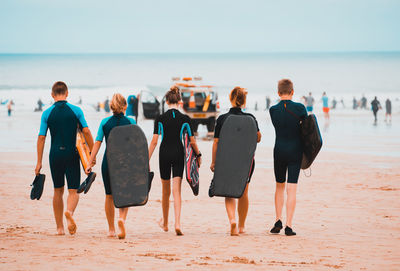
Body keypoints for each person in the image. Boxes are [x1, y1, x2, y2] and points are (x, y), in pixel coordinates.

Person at [35, 81, 94, 235]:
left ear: (52, 95)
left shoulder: (47, 113)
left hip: (55, 155)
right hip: (71, 154)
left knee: (57, 191)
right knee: (73, 191)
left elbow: (41, 138)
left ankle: (60, 228)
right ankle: (69, 212)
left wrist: (39, 162)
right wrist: (92, 152)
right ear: (67, 93)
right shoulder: (76, 110)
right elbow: (86, 131)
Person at [148, 86, 202, 236]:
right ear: (179, 101)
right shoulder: (185, 119)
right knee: (176, 191)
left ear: (166, 101)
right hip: (179, 154)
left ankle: (165, 223)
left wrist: (146, 159)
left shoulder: (160, 119)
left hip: (164, 154)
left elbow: (154, 142)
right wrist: (198, 155)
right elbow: (192, 141)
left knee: (165, 192)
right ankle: (177, 224)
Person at [210, 87, 261, 236]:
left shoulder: (222, 119)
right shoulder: (251, 118)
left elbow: (216, 143)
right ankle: (242, 226)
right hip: (246, 161)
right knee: (244, 193)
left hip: (227, 159)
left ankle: (232, 220)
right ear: (244, 101)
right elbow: (258, 137)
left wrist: (214, 162)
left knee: (229, 193)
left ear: (231, 99)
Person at [85, 94, 136, 239]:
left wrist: (89, 162)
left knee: (109, 195)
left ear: (111, 106)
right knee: (126, 194)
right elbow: (136, 145)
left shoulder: (105, 123)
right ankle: (122, 219)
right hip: (125, 162)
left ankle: (111, 229)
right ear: (125, 106)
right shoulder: (131, 122)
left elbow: (98, 142)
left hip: (108, 162)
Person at [269, 79, 307, 236]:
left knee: (279, 186)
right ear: (292, 92)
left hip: (279, 150)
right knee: (292, 189)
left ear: (278, 93)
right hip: (295, 151)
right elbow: (306, 130)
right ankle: (289, 226)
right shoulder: (300, 108)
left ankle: (278, 220)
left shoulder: (272, 110)